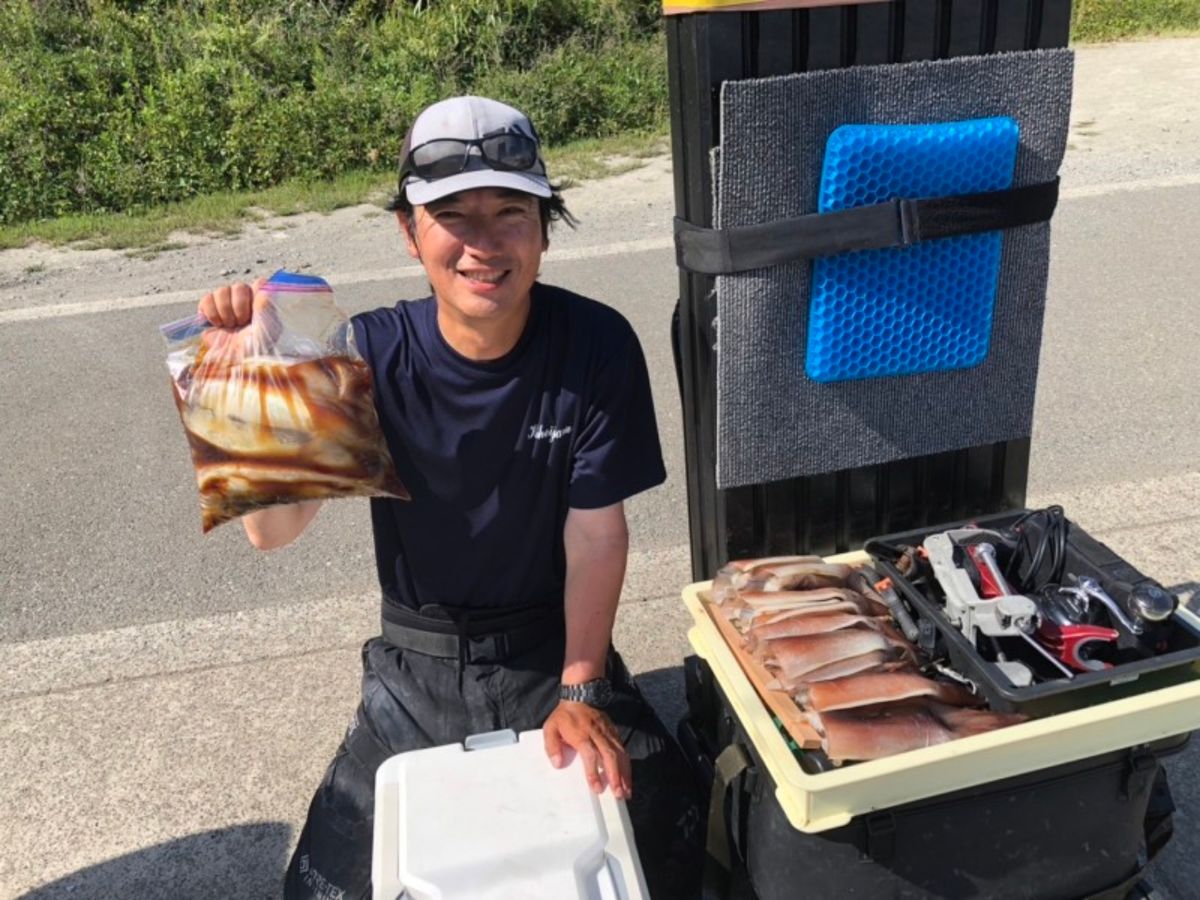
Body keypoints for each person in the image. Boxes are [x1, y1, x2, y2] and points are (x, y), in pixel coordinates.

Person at [198, 95, 703, 899]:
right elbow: (274, 531)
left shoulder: (596, 343)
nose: (483, 244)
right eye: (452, 215)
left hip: (551, 643)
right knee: (326, 887)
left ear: (545, 227)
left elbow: (596, 535)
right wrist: (245, 378)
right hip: (418, 661)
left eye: (510, 212)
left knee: (675, 848)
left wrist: (582, 688)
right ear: (411, 231)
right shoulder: (365, 352)